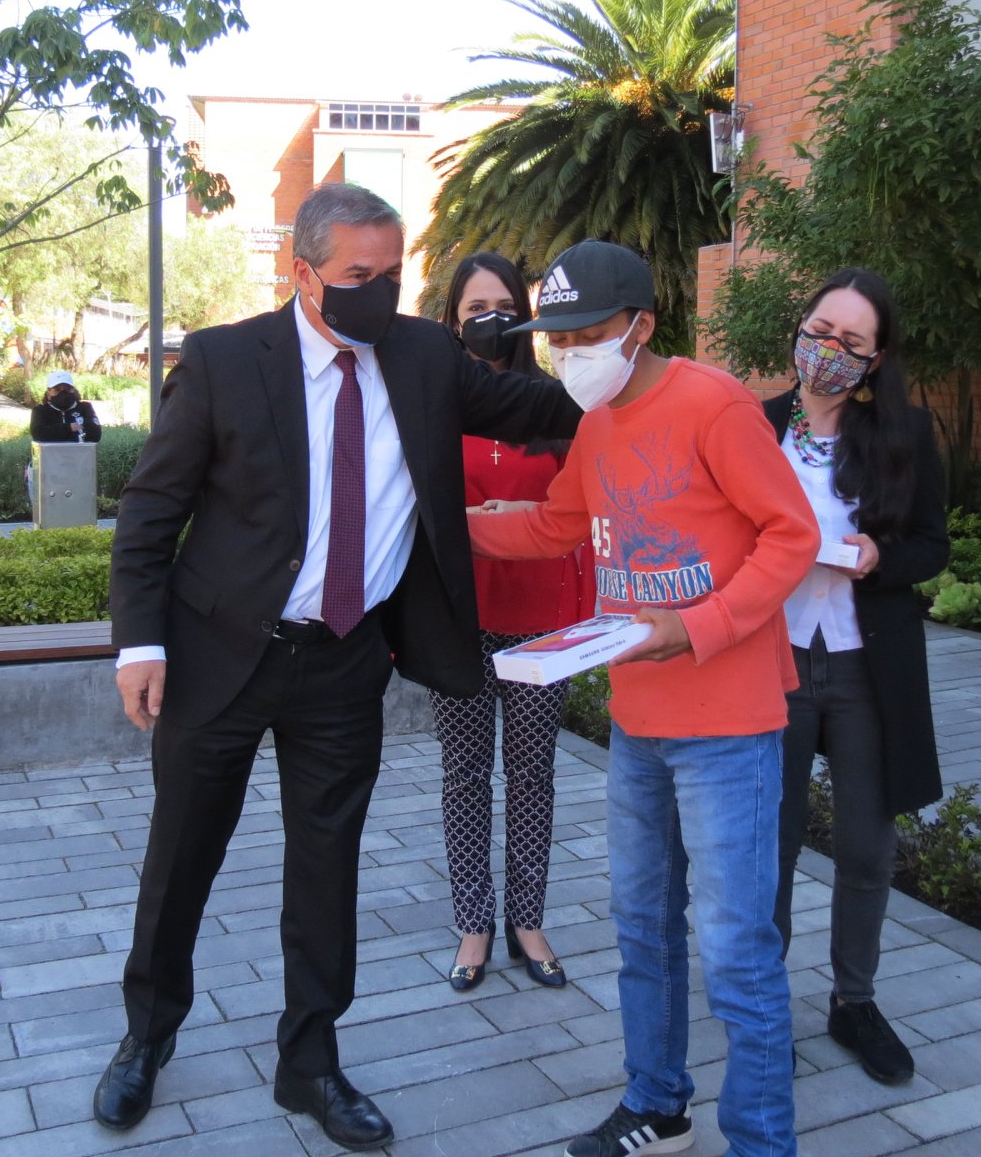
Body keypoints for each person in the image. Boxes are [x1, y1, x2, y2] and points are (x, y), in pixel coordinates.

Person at [93, 184, 581, 1151]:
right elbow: (151, 514)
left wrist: (646, 381)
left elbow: (542, 403)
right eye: (359, 276)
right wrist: (139, 643)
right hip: (218, 658)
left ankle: (310, 1064)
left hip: (345, 662)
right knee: (182, 857)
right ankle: (145, 1038)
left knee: (326, 870)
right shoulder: (227, 360)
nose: (379, 293)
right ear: (303, 273)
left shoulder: (424, 355)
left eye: (393, 274)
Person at [470, 240, 818, 1157]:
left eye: (588, 335)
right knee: (643, 934)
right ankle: (658, 1105)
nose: (570, 353)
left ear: (642, 326)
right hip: (639, 723)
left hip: (730, 726)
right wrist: (441, 522)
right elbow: (554, 523)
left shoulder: (716, 405)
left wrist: (697, 626)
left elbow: (792, 535)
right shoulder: (596, 424)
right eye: (558, 338)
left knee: (739, 954)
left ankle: (760, 1142)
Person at [764, 269, 948, 1087]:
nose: (828, 351)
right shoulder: (753, 422)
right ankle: (761, 1001)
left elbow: (933, 545)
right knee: (767, 844)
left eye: (851, 342)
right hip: (771, 662)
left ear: (875, 362)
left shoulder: (904, 433)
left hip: (865, 665)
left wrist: (879, 558)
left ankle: (855, 1001)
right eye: (819, 329)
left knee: (868, 846)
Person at [434, 254, 593, 993]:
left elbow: (585, 504)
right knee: (465, 774)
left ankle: (527, 919)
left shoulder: (554, 403)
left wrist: (526, 517)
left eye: (503, 303)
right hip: (459, 617)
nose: (488, 317)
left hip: (541, 618)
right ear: (451, 317)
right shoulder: (428, 401)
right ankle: (474, 922)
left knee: (532, 773)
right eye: (474, 305)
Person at [30, 370, 102, 443]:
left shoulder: (85, 408)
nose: (63, 393)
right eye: (57, 390)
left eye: (67, 389)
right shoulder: (40, 411)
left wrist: (54, 433)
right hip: (51, 454)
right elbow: (38, 434)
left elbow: (95, 435)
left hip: (80, 453)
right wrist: (69, 428)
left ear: (73, 390)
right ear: (48, 393)